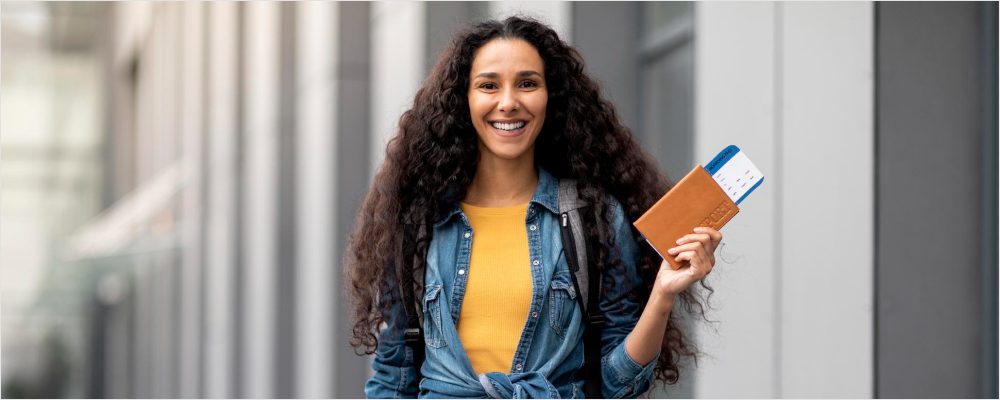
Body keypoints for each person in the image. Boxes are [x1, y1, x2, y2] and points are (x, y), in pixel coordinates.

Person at [345, 16, 722, 399]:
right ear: (464, 98)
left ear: (550, 95)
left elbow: (619, 385)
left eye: (527, 83)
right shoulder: (419, 223)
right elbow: (393, 377)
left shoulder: (593, 217)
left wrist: (662, 295)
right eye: (488, 85)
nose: (508, 103)